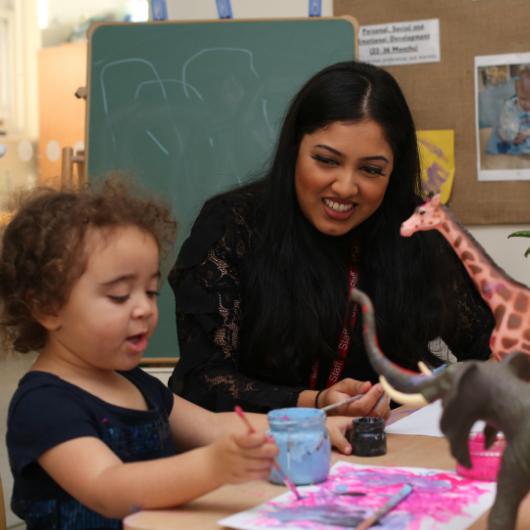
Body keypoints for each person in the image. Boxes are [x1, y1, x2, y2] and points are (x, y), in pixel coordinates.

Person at [0, 179, 352, 530]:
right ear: (47, 307)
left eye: (150, 292)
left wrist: (314, 426)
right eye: (120, 295)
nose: (143, 309)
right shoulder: (44, 405)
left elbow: (214, 426)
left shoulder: (133, 383)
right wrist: (211, 467)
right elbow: (107, 487)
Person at [168, 60, 494, 415]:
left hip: (385, 459)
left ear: (393, 172)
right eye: (326, 160)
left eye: (371, 170)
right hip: (259, 453)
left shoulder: (417, 230)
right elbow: (201, 381)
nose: (345, 187)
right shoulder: (232, 226)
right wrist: (318, 404)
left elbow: (488, 346)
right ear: (295, 149)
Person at [496, 64, 530, 154]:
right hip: (513, 141)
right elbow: (503, 123)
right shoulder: (509, 106)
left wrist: (526, 134)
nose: (527, 104)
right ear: (517, 93)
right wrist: (504, 135)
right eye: (523, 98)